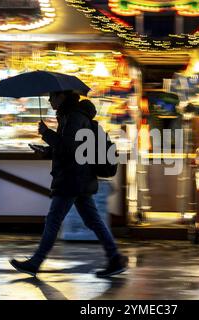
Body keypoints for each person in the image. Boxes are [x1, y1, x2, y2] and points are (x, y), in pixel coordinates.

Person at [10, 90, 128, 278]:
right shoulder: (71, 116)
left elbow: (68, 148)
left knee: (54, 220)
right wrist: (47, 151)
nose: (49, 100)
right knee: (93, 221)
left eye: (52, 96)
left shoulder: (73, 117)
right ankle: (115, 258)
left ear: (62, 97)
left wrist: (46, 133)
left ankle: (36, 262)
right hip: (79, 177)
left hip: (72, 178)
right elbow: (69, 147)